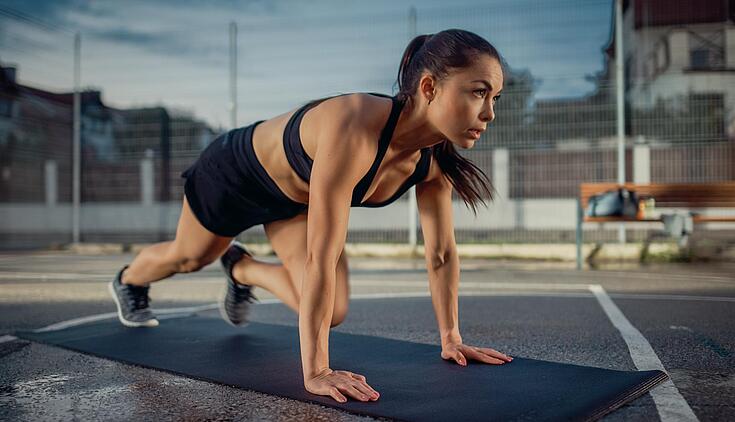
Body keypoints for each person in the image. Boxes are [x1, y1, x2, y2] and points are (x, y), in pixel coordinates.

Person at [109, 28, 514, 404]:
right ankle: (128, 281)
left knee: (331, 312)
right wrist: (317, 370)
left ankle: (241, 269)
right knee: (189, 257)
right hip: (234, 175)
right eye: (478, 92)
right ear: (429, 87)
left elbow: (441, 254)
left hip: (293, 201)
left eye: (494, 98)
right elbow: (321, 256)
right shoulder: (353, 126)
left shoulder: (432, 165)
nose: (489, 113)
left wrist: (451, 337)